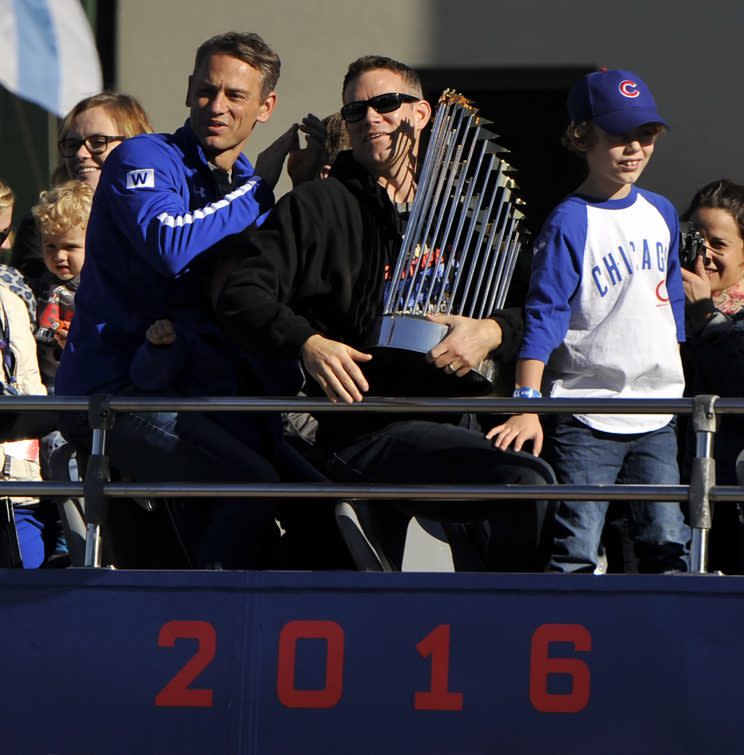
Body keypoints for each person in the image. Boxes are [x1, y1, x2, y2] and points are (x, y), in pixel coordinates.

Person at [209, 55, 555, 571]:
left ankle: (500, 632)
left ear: (421, 114)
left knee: (529, 483)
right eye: (355, 111)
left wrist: (491, 330)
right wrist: (308, 342)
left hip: (456, 418)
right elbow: (237, 291)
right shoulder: (319, 205)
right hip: (363, 426)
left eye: (386, 104)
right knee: (523, 482)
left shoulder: (461, 213)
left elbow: (540, 304)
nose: (370, 118)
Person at [55, 31, 316, 569]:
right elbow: (171, 244)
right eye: (205, 90)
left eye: (234, 96)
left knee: (313, 498)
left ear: (266, 107)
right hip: (115, 396)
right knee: (251, 484)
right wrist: (264, 187)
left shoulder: (240, 184)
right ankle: (205, 618)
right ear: (188, 90)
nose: (216, 106)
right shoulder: (142, 155)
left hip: (195, 393)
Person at [488, 68, 690, 574]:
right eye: (619, 136)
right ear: (583, 137)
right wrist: (527, 403)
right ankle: (569, 639)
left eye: (645, 135)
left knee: (667, 540)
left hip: (657, 411)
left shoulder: (662, 212)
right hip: (585, 413)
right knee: (576, 543)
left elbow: (672, 305)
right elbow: (545, 314)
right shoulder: (569, 220)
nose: (634, 148)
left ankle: (671, 641)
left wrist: (678, 372)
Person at [11, 92, 154, 289]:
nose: (80, 154)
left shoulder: (160, 213)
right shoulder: (46, 221)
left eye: (97, 142)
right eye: (72, 145)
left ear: (134, 144)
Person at [681, 178, 744, 573]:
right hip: (661, 491)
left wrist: (706, 318)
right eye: (695, 239)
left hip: (731, 503)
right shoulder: (655, 296)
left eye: (718, 245)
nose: (703, 256)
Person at [31, 180, 92, 389]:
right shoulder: (41, 285)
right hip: (45, 384)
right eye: (50, 245)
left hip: (83, 385)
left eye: (70, 247)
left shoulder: (98, 288)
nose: (59, 255)